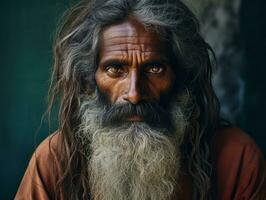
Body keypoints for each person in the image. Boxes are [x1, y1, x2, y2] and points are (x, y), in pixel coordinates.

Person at [15, 0, 265, 199]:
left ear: (180, 76)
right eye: (115, 69)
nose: (134, 93)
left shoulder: (235, 158)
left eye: (155, 69)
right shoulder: (54, 161)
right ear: (90, 79)